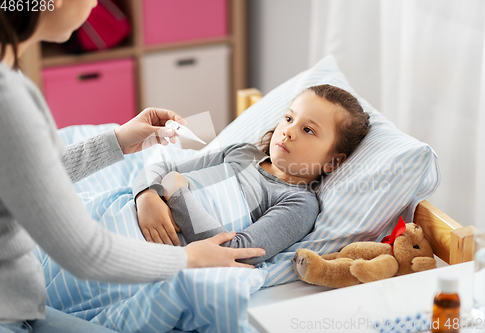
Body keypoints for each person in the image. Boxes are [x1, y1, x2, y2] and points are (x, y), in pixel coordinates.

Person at [0, 1, 265, 332]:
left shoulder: (10, 77)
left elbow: (27, 175)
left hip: (20, 300)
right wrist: (190, 258)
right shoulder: (9, 98)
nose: (97, 3)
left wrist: (117, 142)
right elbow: (86, 252)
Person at [134, 84, 371, 264]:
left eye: (308, 130)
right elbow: (162, 169)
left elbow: (237, 253)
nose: (288, 131)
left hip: (147, 251)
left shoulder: (298, 203)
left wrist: (177, 194)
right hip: (133, 211)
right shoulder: (243, 153)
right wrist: (146, 196)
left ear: (333, 161)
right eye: (289, 118)